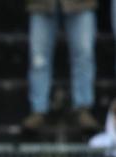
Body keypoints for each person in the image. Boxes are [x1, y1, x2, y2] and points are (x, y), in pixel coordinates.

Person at [22, 0, 98, 133]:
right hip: (41, 4)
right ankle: (38, 110)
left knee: (84, 55)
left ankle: (83, 108)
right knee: (38, 59)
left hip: (81, 4)